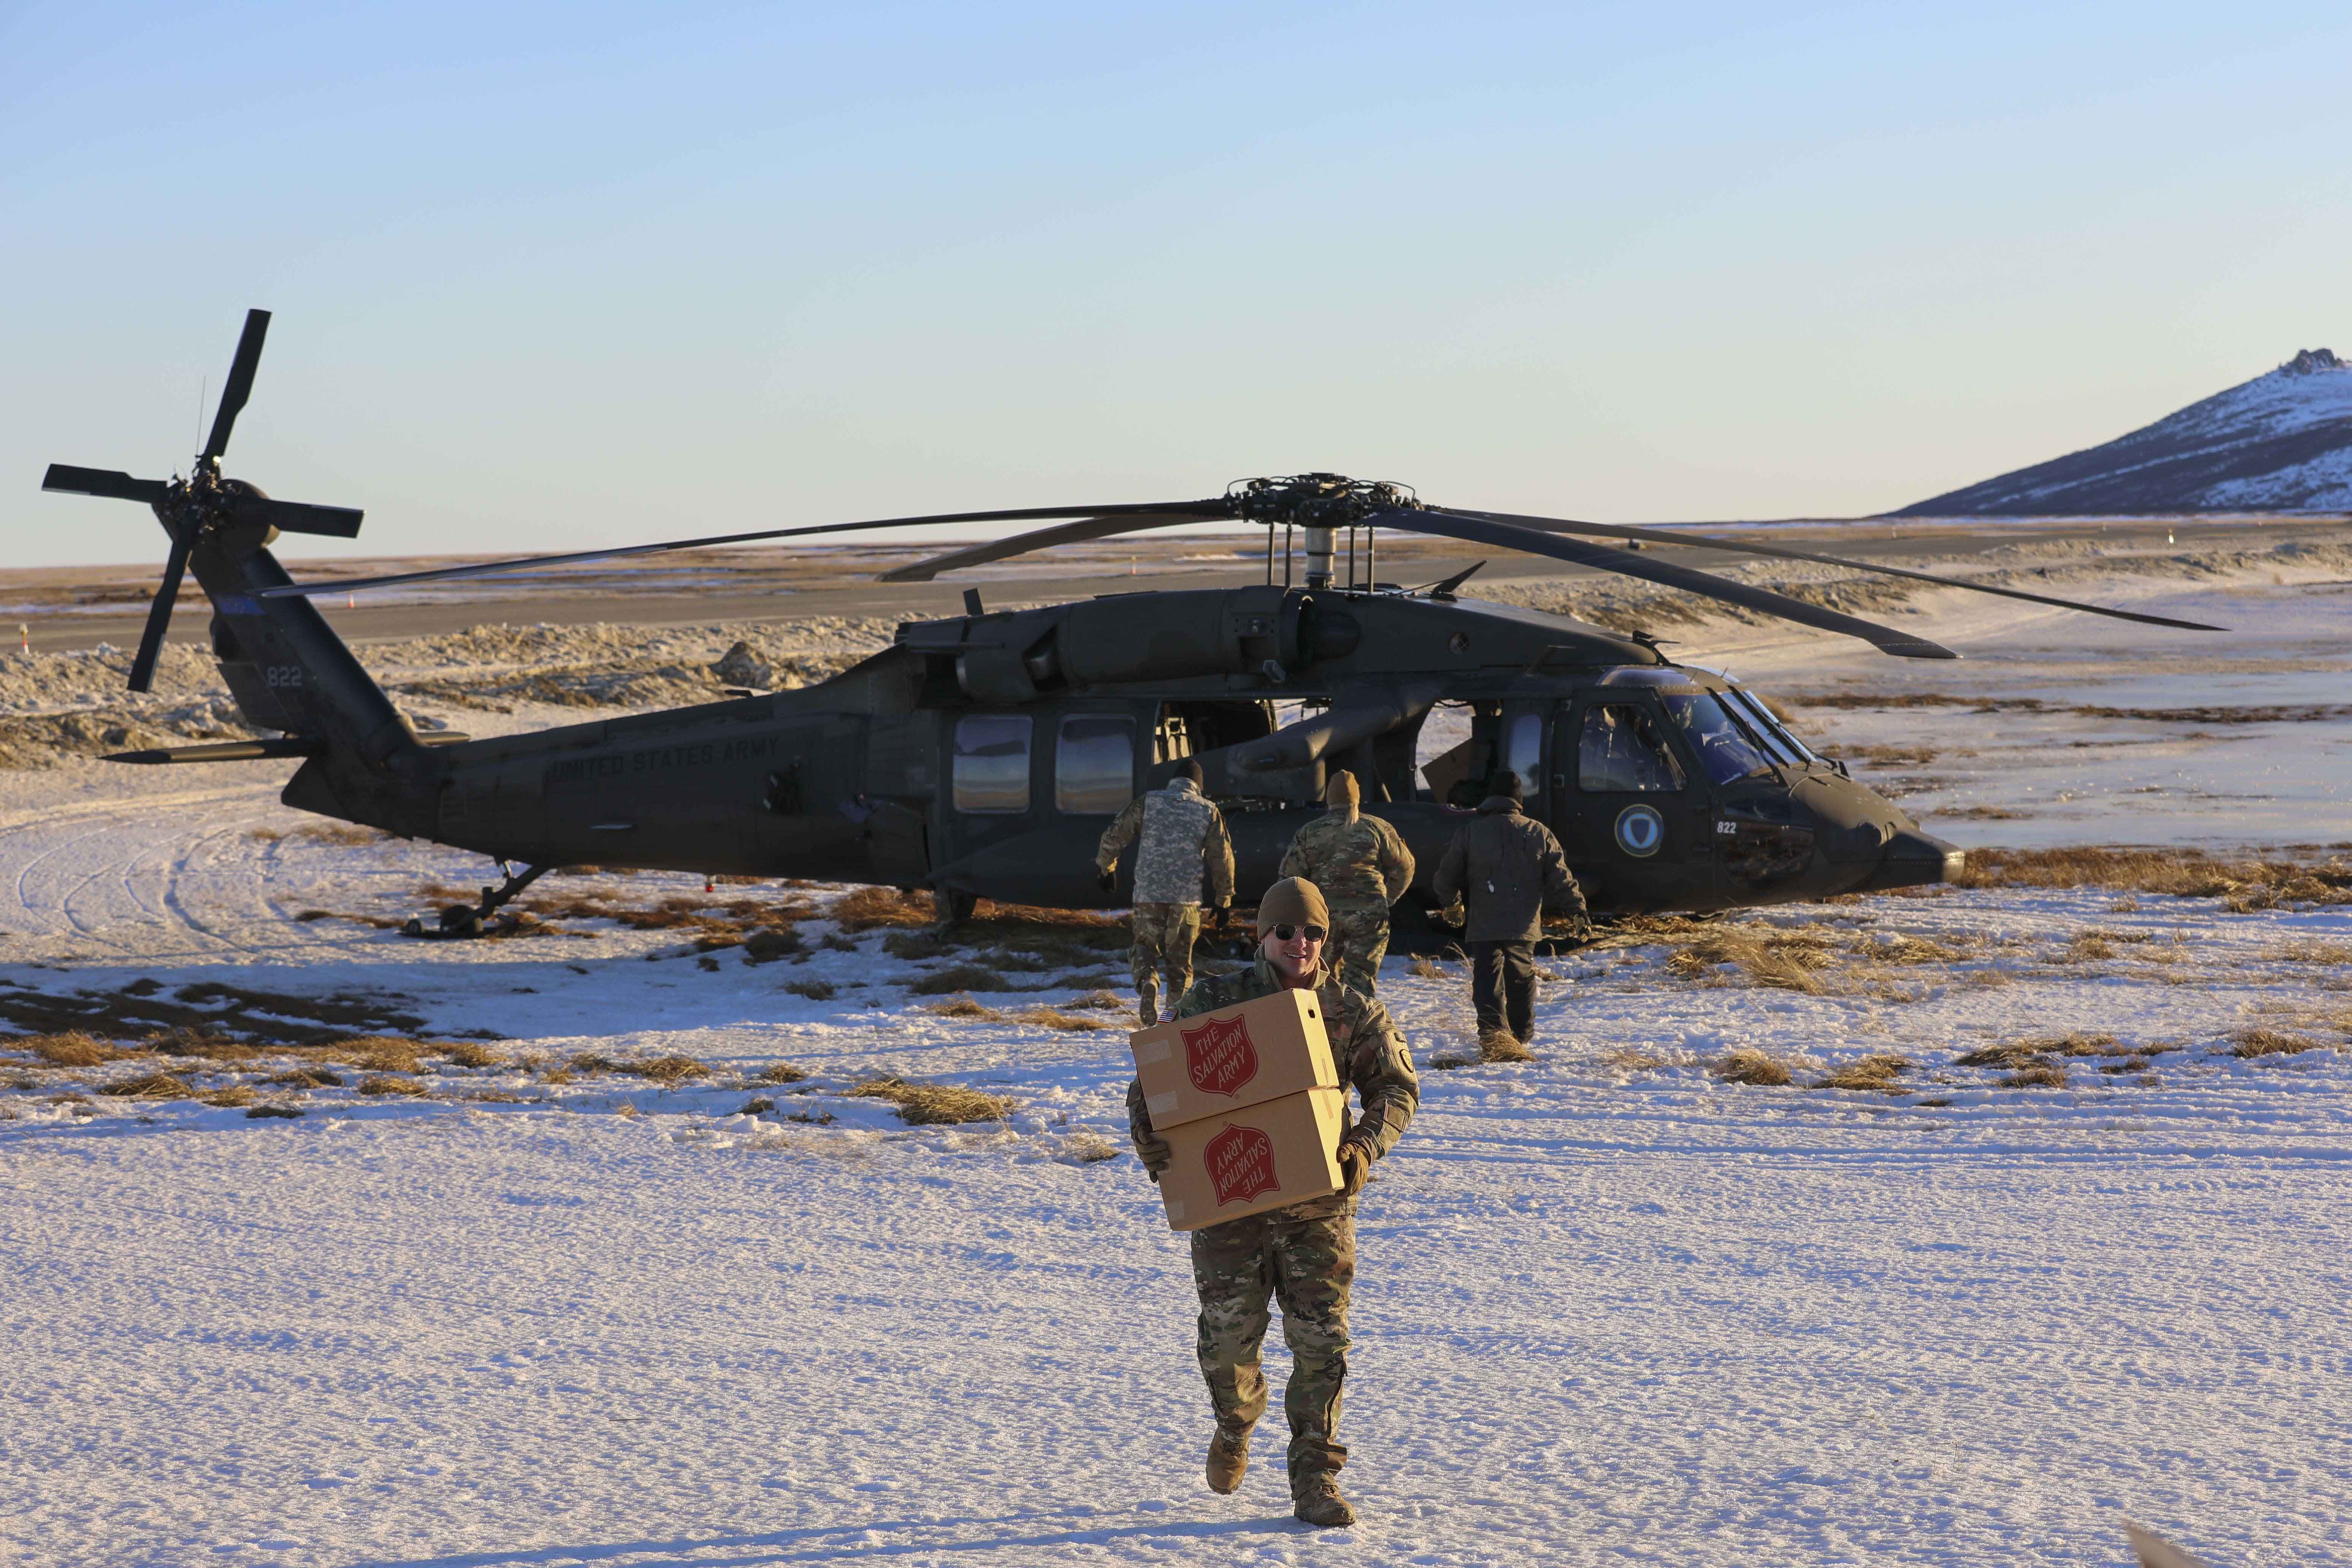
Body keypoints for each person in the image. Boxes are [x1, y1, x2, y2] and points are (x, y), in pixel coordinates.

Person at [1127, 877, 1420, 1528]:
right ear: (1264, 936)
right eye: (1287, 930)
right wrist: (1150, 1134)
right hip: (1230, 1201)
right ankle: (1235, 1423)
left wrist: (1365, 1148)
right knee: (1229, 1343)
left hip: (1319, 1205)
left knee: (1323, 1343)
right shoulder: (1215, 999)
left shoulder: (1350, 1009)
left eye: (1313, 931)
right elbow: (1155, 1080)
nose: (1301, 942)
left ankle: (1315, 1477)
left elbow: (1397, 1089)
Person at [1432, 770, 1584, 1062]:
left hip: (1484, 923)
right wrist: (1577, 911)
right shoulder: (1539, 833)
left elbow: (1445, 877)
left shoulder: (1470, 831)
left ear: (1490, 798)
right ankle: (1519, 1038)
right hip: (1523, 924)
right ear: (1518, 800)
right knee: (1521, 976)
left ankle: (1494, 1039)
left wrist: (1452, 905)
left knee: (1488, 980)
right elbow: (1561, 879)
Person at [1095, 760, 1236, 1026]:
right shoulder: (1208, 810)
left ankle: (1148, 980)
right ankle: (1175, 1023)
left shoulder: (1149, 802)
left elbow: (1115, 833)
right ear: (1199, 786)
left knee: (1144, 947)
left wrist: (1106, 867)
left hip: (1149, 894)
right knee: (1180, 967)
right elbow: (1223, 858)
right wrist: (1223, 899)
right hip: (1186, 899)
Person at [1276, 772, 1415, 996]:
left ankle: (1322, 1026)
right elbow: (1405, 867)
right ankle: (1358, 1026)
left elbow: (1290, 878)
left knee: (1320, 976)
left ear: (1329, 799)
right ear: (1357, 799)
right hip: (1369, 917)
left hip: (1322, 918)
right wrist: (1387, 898)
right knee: (1361, 979)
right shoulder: (1378, 828)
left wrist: (1301, 912)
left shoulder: (1310, 832)